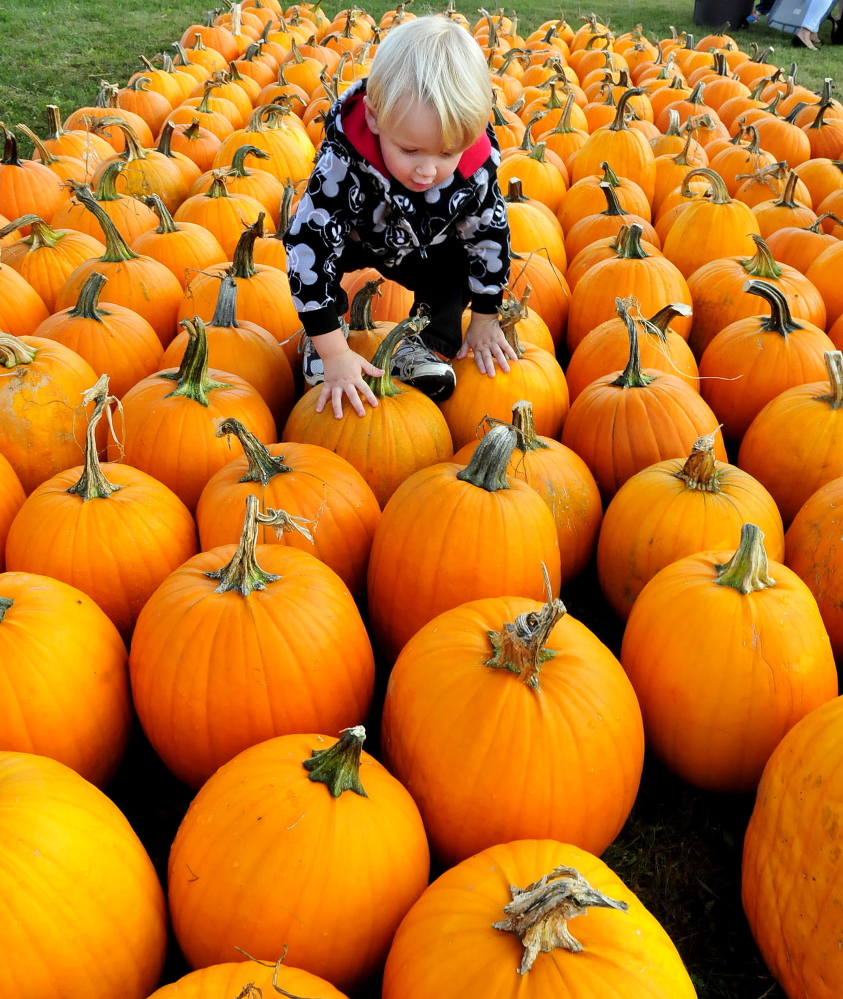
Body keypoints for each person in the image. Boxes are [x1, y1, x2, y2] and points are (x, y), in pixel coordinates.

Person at [283, 15, 516, 419]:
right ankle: (324, 335)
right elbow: (310, 246)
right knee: (319, 251)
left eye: (446, 154)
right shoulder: (344, 160)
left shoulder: (474, 170)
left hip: (425, 247)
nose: (427, 170)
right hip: (356, 236)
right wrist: (334, 352)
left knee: (463, 261)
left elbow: (490, 238)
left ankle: (422, 343)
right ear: (375, 119)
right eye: (410, 150)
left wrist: (485, 315)